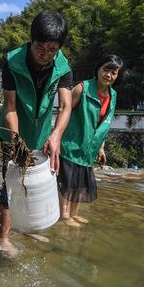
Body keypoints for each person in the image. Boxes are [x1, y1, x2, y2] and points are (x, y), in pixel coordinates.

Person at [0, 10, 73, 257]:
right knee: (11, 183)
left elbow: (66, 105)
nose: (46, 55)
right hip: (14, 129)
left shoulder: (62, 66)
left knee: (38, 180)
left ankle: (28, 228)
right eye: (41, 48)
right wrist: (15, 139)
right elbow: (9, 105)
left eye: (52, 50)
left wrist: (56, 135)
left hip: (42, 134)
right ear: (31, 40)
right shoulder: (12, 61)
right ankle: (2, 239)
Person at [58, 54, 123, 227]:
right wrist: (56, 137)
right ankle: (64, 216)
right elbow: (64, 111)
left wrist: (101, 148)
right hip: (71, 144)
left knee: (79, 184)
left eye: (114, 72)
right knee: (67, 182)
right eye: (106, 70)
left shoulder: (113, 95)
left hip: (89, 148)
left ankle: (73, 214)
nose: (109, 75)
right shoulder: (82, 88)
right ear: (98, 69)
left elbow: (103, 124)